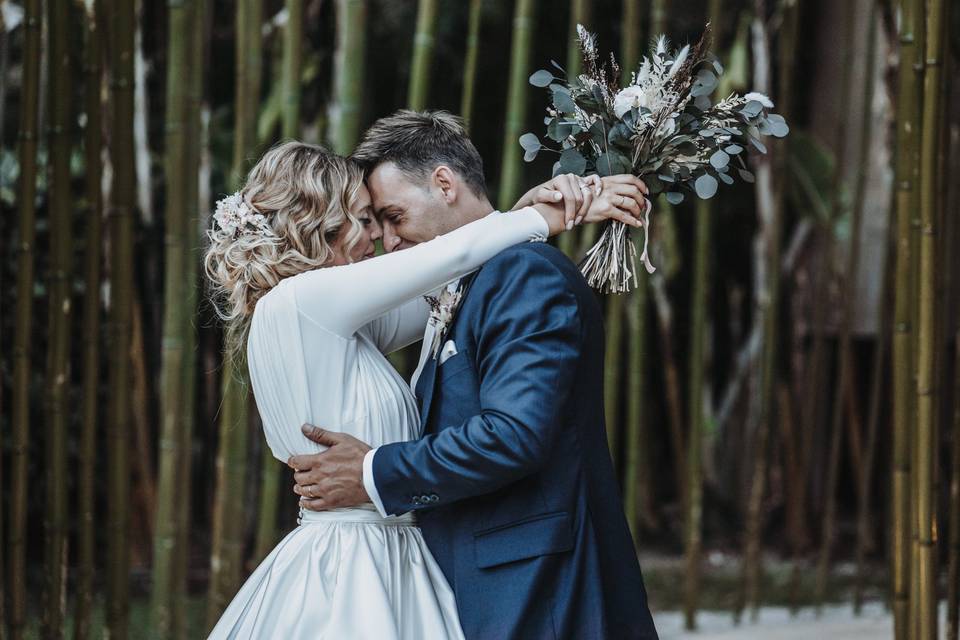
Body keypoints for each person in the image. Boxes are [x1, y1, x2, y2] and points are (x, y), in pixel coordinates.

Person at [203, 136, 646, 639]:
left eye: (386, 217)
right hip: (355, 562)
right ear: (318, 220)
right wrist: (544, 217)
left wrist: (518, 216)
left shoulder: (335, 325)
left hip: (394, 553)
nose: (378, 240)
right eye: (366, 219)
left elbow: (454, 283)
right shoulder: (305, 300)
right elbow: (446, 261)